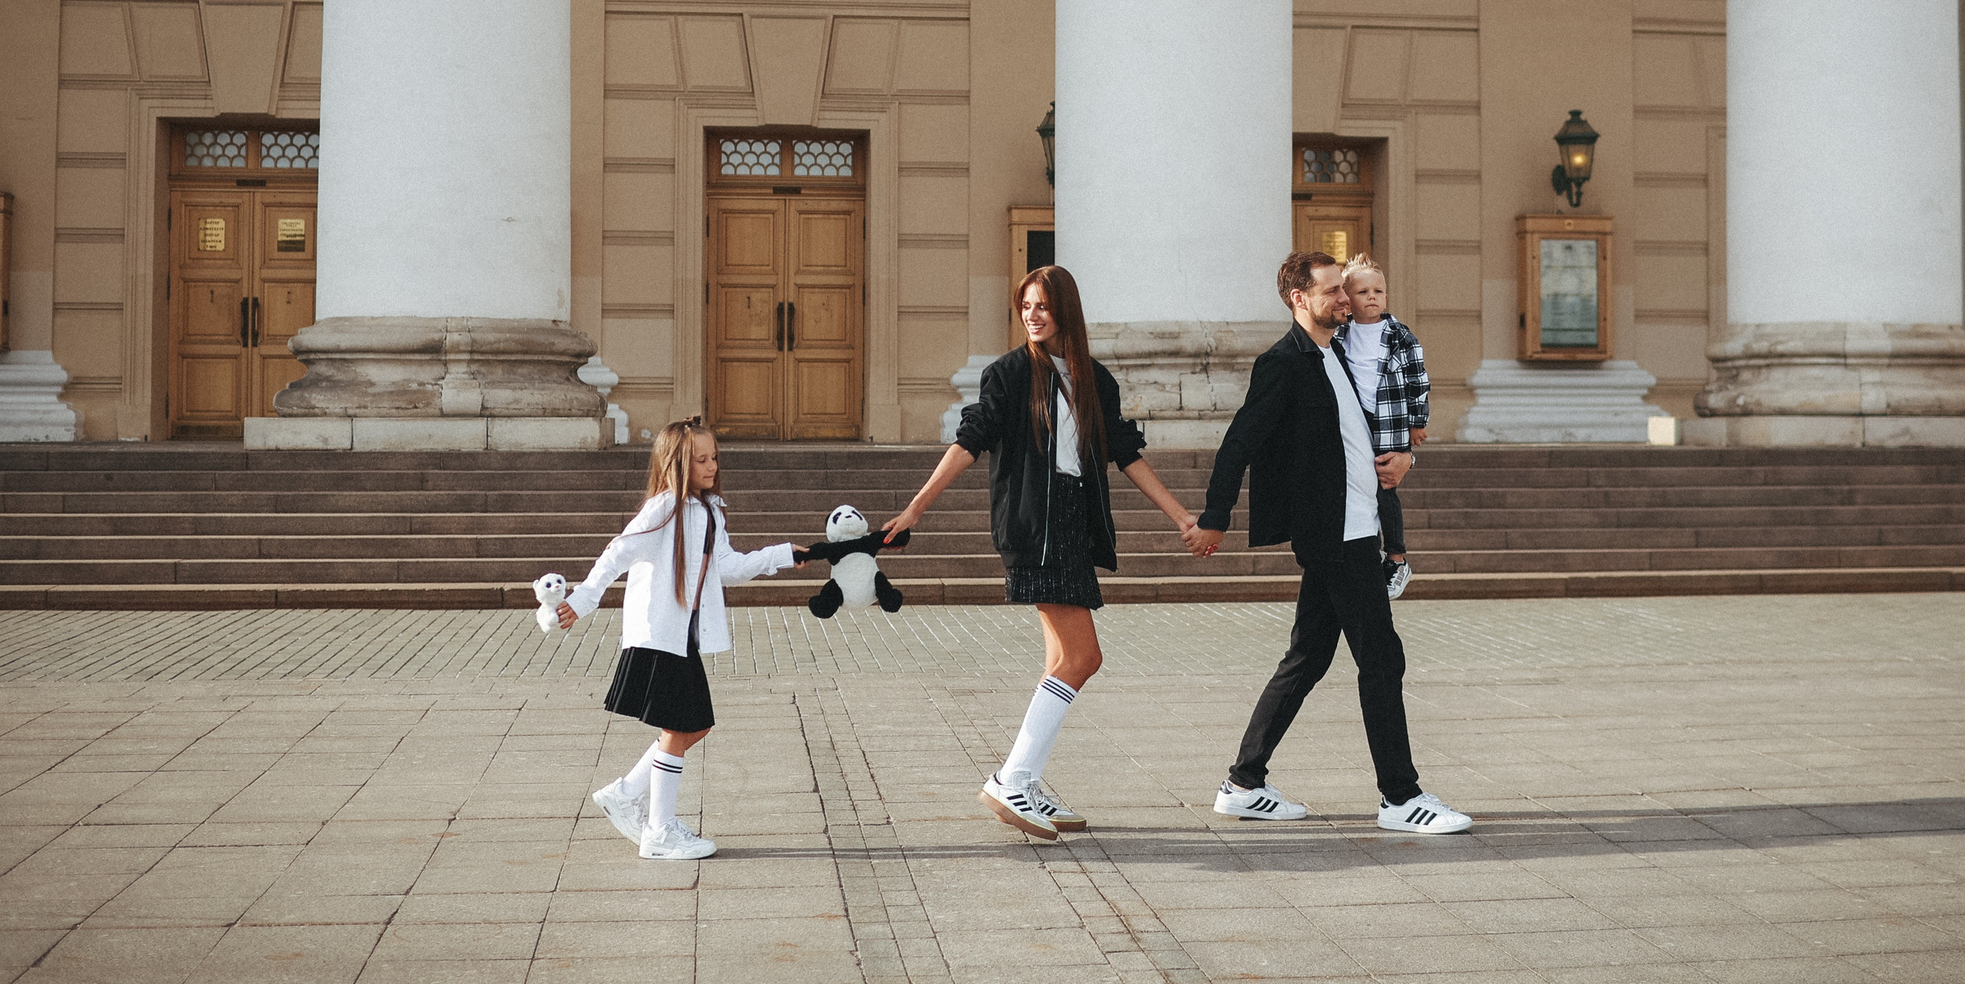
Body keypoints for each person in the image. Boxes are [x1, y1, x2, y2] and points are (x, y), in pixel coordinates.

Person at [881, 265, 1200, 841]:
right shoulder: (1006, 374)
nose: (1032, 314)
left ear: (1065, 312)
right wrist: (916, 509)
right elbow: (970, 440)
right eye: (1026, 305)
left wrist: (1180, 516)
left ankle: (1025, 780)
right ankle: (1013, 777)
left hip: (1075, 524)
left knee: (1063, 662)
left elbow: (1124, 454)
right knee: (1082, 660)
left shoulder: (1095, 381)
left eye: (1043, 306)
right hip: (1035, 526)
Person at [1187, 251, 1472, 835]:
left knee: (1309, 656)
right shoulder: (1284, 362)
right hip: (1336, 533)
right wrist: (1215, 516)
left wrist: (1405, 458)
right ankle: (1400, 796)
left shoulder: (1337, 352)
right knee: (1382, 658)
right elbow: (1237, 442)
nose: (1345, 300)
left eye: (1346, 290)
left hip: (1359, 523)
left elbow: (1375, 425)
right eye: (1332, 291)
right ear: (1299, 299)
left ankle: (1243, 783)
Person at [541, 418, 810, 861]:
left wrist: (782, 555)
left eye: (714, 458)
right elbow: (617, 552)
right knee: (681, 725)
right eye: (700, 459)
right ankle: (658, 831)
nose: (711, 466)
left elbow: (727, 566)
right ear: (676, 463)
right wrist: (582, 601)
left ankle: (626, 794)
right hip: (657, 635)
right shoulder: (664, 507)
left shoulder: (707, 512)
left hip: (680, 637)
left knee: (694, 724)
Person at [1340, 254, 1430, 599]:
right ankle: (1370, 551)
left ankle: (1396, 557)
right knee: (1360, 491)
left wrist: (1417, 423)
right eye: (1363, 291)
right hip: (1356, 426)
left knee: (1385, 489)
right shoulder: (1341, 336)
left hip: (1390, 425)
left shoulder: (1400, 336)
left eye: (1379, 290)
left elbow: (1418, 381)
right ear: (1347, 298)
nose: (1372, 296)